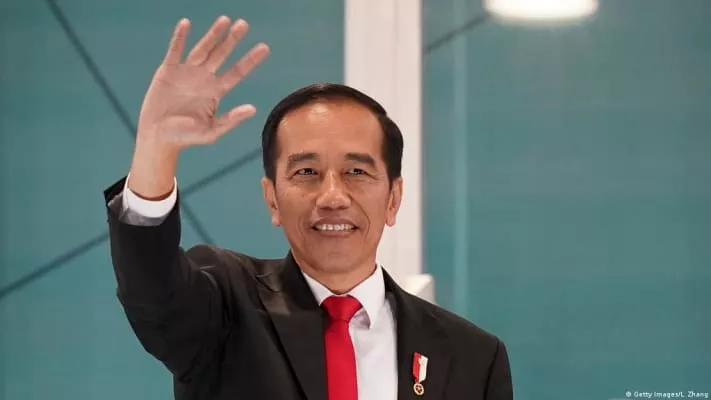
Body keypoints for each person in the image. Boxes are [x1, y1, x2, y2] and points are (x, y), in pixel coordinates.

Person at [104, 15, 513, 400]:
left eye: (356, 171)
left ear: (393, 198)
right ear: (272, 198)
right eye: (307, 172)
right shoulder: (227, 307)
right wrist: (156, 147)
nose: (332, 196)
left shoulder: (472, 358)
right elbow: (152, 291)